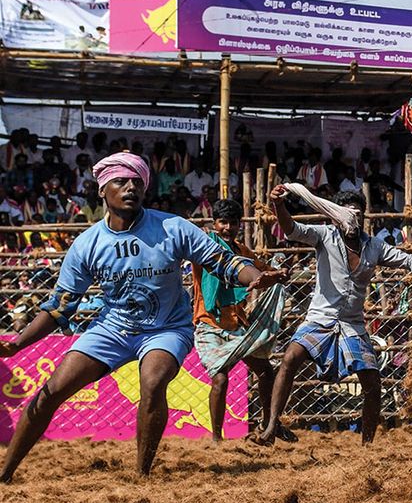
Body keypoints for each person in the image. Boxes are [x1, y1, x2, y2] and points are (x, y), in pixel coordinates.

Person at [0, 153, 281, 481]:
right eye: (121, 181)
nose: (130, 187)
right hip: (112, 328)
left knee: (153, 380)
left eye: (136, 182)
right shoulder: (87, 244)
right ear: (103, 190)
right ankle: (5, 474)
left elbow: (222, 261)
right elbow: (60, 307)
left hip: (167, 329)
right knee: (52, 390)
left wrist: (253, 277)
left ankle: (141, 474)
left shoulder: (172, 227)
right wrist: (17, 344)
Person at [255, 187, 412, 445]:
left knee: (373, 383)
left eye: (358, 214)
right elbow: (292, 229)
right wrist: (279, 206)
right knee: (290, 358)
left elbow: (405, 258)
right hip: (320, 319)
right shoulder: (323, 236)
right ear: (334, 216)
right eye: (347, 214)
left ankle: (367, 444)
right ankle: (271, 427)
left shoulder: (374, 247)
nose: (353, 219)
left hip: (352, 325)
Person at [191, 199, 294, 443]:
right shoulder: (203, 247)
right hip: (210, 323)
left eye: (233, 222)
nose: (228, 227)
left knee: (265, 371)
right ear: (215, 224)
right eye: (223, 222)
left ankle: (269, 426)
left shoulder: (243, 252)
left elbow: (261, 272)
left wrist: (278, 274)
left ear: (239, 225)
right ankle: (217, 439)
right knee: (220, 378)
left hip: (238, 324)